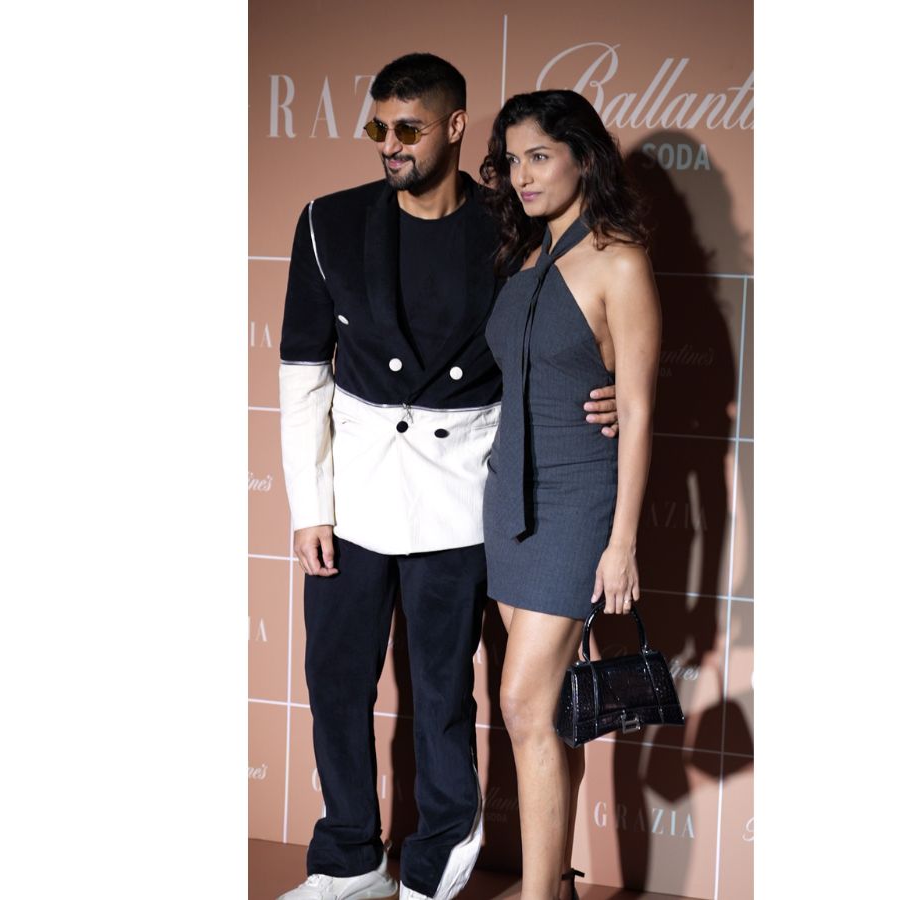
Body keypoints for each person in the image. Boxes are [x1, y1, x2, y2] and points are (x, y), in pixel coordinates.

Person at [276, 56, 619, 900]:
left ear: (456, 127)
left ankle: (436, 862)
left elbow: (563, 326)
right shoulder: (327, 221)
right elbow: (302, 376)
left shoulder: (511, 226)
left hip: (462, 492)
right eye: (377, 128)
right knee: (336, 681)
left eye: (408, 128)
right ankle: (348, 860)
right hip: (352, 495)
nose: (389, 144)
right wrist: (308, 506)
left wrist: (608, 388)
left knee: (441, 690)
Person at [479, 90, 661, 900]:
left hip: (578, 503)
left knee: (521, 704)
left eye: (539, 156)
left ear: (583, 159)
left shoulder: (620, 260)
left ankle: (539, 894)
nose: (522, 174)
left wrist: (622, 543)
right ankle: (553, 885)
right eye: (512, 160)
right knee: (551, 712)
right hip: (508, 502)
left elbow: (641, 409)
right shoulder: (522, 258)